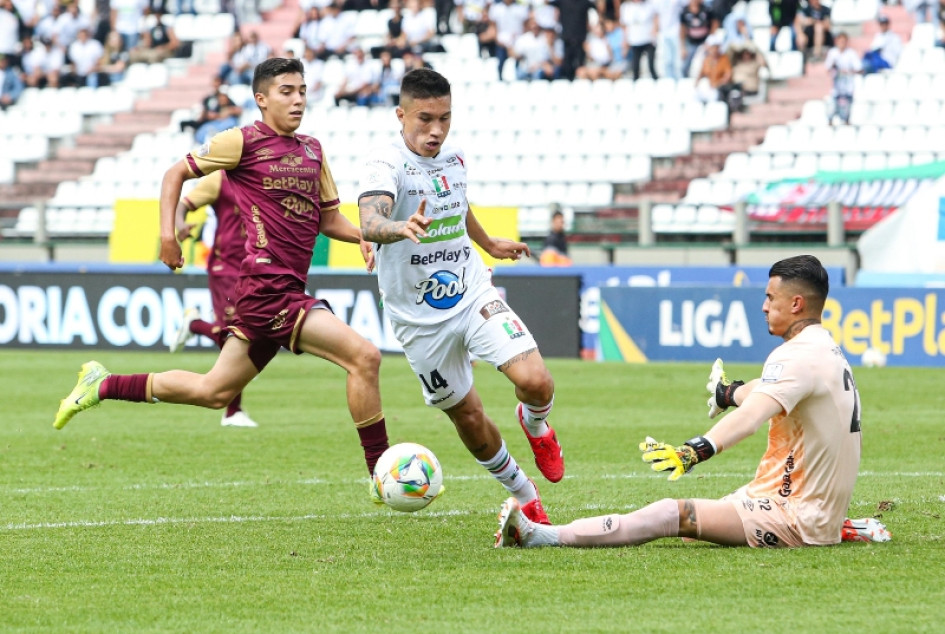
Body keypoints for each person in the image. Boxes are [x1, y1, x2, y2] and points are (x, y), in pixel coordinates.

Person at [53, 57, 392, 479]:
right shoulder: (241, 142)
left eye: (302, 91)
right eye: (287, 91)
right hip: (268, 290)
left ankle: (103, 384)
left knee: (214, 391)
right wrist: (167, 235)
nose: (298, 100)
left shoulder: (312, 150)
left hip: (278, 291)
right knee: (365, 356)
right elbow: (174, 174)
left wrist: (362, 234)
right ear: (261, 99)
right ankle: (382, 474)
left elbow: (327, 220)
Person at [496, 254, 892, 549]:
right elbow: (769, 394)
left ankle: (539, 536)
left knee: (674, 513)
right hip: (788, 499)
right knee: (694, 536)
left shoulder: (795, 356)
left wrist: (694, 451)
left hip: (795, 515)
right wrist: (729, 393)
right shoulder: (822, 348)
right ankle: (840, 524)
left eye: (771, 298)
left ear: (796, 305)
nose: (763, 306)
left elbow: (753, 417)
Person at [357, 68, 565, 524]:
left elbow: (457, 201)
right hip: (417, 320)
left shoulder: (454, 155)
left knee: (536, 381)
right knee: (468, 417)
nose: (436, 131)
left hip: (470, 291)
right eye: (424, 119)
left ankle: (536, 425)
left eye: (445, 119)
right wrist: (395, 228)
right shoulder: (383, 163)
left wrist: (488, 244)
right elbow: (370, 218)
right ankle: (525, 494)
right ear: (401, 115)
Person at [168, 170, 259, 428]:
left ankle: (194, 325)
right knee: (234, 334)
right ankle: (233, 411)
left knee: (247, 333)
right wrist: (180, 224)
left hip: (254, 267)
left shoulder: (262, 174)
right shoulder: (219, 179)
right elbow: (184, 204)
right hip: (225, 266)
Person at [824, 31, 860, 125]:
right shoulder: (832, 53)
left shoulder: (851, 53)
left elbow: (859, 69)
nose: (841, 43)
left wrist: (847, 71)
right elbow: (827, 69)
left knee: (846, 113)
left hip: (848, 88)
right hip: (836, 88)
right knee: (831, 110)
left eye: (843, 41)